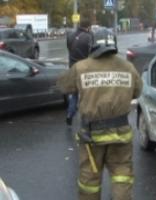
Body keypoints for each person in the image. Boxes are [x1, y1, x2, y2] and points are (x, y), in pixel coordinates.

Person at [57, 33, 143, 200]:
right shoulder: (128, 67)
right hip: (120, 135)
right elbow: (138, 91)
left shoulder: (81, 67)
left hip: (91, 137)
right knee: (122, 175)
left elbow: (62, 86)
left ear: (93, 45)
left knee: (90, 181)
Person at [65, 18, 94, 125]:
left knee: (75, 94)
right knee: (87, 94)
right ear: (88, 27)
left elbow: (69, 48)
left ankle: (69, 114)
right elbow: (92, 53)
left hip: (72, 68)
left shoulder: (70, 35)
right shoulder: (88, 37)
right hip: (84, 69)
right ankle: (86, 117)